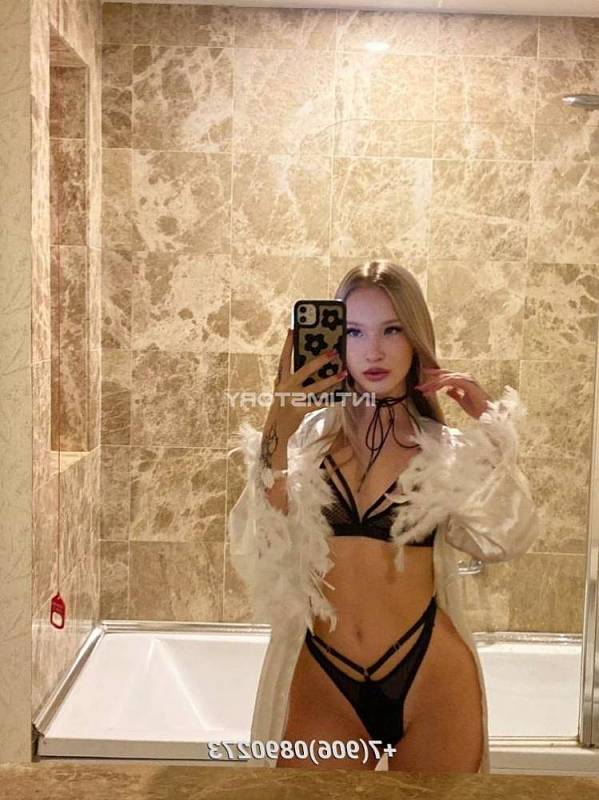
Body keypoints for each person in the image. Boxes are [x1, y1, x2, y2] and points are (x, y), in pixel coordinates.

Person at [227, 261, 541, 773]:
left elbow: (506, 538)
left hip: (429, 675)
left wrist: (491, 431)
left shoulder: (443, 450)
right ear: (336, 341)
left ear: (415, 338)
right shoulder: (306, 442)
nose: (373, 351)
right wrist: (278, 425)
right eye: (354, 331)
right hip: (324, 675)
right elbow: (261, 545)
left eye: (392, 330)